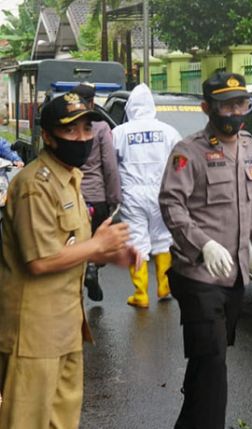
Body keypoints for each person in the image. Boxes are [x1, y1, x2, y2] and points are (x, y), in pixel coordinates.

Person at [0, 92, 141, 428]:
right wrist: (97, 246)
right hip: (33, 334)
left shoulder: (70, 179)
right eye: (71, 131)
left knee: (61, 421)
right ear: (47, 136)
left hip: (66, 327)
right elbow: (40, 261)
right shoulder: (35, 185)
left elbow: (70, 245)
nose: (82, 138)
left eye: (87, 130)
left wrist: (110, 251)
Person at [159, 71, 252, 429]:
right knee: (213, 363)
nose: (234, 112)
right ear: (206, 108)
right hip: (197, 275)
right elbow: (171, 204)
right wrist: (204, 244)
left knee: (206, 361)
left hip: (235, 277)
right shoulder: (188, 151)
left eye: (240, 104)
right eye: (226, 106)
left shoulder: (249, 146)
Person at [112, 83, 181, 308]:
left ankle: (141, 294)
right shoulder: (169, 131)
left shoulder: (120, 132)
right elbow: (181, 161)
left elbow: (111, 163)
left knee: (137, 241)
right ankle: (164, 286)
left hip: (132, 192)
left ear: (130, 107)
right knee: (163, 238)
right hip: (162, 190)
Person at [73, 82, 123, 302]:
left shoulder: (68, 125)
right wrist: (114, 198)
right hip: (96, 197)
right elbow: (110, 166)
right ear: (92, 102)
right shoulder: (101, 127)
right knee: (95, 239)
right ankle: (92, 268)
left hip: (72, 196)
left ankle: (78, 281)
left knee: (73, 242)